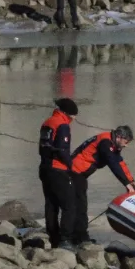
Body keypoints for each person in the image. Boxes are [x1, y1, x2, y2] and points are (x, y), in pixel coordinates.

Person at [70, 125, 135, 244]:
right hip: (74, 172)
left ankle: (78, 234)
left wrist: (131, 181)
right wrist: (126, 184)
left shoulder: (113, 144)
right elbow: (112, 164)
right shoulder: (105, 143)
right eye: (126, 142)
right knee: (80, 204)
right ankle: (80, 237)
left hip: (80, 174)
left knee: (80, 203)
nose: (126, 145)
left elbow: (120, 163)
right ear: (119, 137)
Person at [39, 98, 79, 250]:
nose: (75, 119)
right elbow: (62, 150)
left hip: (44, 167)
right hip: (58, 170)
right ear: (68, 113)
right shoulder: (62, 125)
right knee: (69, 205)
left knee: (51, 204)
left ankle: (53, 238)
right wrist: (71, 166)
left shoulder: (47, 122)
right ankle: (65, 240)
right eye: (74, 115)